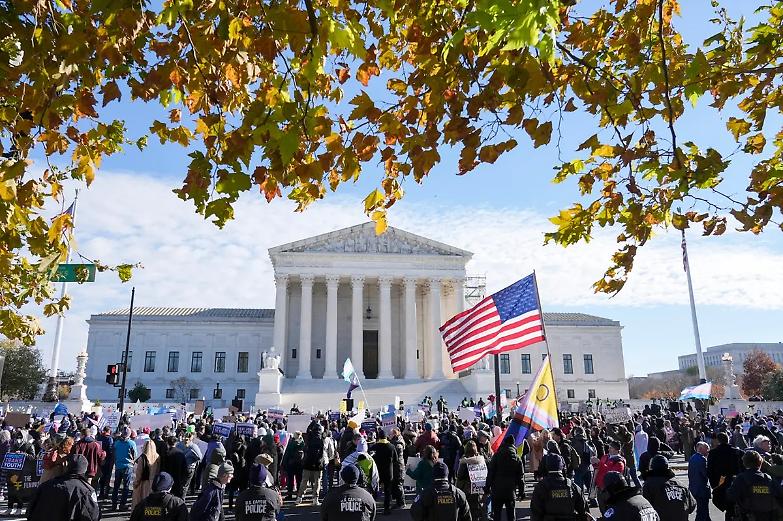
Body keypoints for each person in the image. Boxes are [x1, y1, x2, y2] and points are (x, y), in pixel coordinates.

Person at [27, 454, 100, 521]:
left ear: (66, 466)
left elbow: (30, 511)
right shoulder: (86, 491)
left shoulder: (45, 486)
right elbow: (93, 516)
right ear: (84, 470)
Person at [727, 450, 783, 521]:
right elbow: (780, 494)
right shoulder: (768, 478)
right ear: (760, 463)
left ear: (744, 463)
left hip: (748, 516)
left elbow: (731, 496)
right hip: (768, 516)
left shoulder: (741, 478)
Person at [530, 453, 588, 521]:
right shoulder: (572, 486)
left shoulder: (541, 487)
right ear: (562, 466)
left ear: (547, 466)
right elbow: (584, 512)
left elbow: (535, 513)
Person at [641, 455, 695, 521]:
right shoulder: (681, 484)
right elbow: (692, 506)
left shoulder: (648, 485)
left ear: (651, 467)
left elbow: (644, 510)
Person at [485, 435, 524, 521]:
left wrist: (487, 487)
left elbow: (490, 473)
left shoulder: (496, 456)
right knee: (511, 514)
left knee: (497, 514)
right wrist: (521, 492)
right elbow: (520, 477)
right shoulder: (517, 458)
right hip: (510, 490)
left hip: (497, 489)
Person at [707, 432, 743, 519]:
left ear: (717, 441)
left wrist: (714, 485)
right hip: (736, 483)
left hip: (720, 484)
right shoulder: (738, 452)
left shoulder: (713, 453)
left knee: (728, 509)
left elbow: (710, 470)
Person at [370, 429, 401, 514]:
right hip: (388, 472)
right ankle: (386, 508)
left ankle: (372, 507)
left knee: (375, 490)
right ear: (386, 436)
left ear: (378, 436)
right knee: (387, 491)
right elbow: (396, 459)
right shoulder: (391, 446)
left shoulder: (374, 446)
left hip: (377, 472)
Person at [456, 440, 487, 521]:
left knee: (467, 510)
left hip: (467, 489)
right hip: (479, 488)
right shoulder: (480, 459)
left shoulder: (464, 461)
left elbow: (460, 476)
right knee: (477, 509)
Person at [113, 426, 139, 511]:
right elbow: (135, 455)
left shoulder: (116, 442)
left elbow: (114, 453)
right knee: (126, 486)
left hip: (118, 466)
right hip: (128, 466)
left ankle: (114, 504)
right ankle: (122, 504)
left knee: (116, 486)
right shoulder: (131, 443)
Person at [298, 425, 326, 505]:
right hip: (318, 463)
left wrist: (314, 421)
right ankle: (315, 499)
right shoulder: (322, 439)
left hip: (308, 462)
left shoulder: (309, 438)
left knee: (304, 481)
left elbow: (307, 430)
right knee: (317, 482)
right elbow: (326, 431)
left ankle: (299, 497)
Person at [133, 438, 161, 507]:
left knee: (141, 504)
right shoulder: (157, 457)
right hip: (154, 483)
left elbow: (139, 473)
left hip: (143, 484)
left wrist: (135, 484)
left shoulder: (142, 458)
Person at [688, 442, 711, 521]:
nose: (708, 450)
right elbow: (706, 474)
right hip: (702, 489)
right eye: (706, 448)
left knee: (703, 511)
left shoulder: (692, 458)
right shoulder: (702, 459)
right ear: (701, 449)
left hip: (694, 488)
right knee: (702, 511)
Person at [96, 425, 115, 499]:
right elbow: (110, 450)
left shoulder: (99, 437)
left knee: (101, 476)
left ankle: (100, 492)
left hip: (100, 459)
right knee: (107, 477)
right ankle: (105, 493)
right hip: (108, 460)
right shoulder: (109, 439)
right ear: (109, 431)